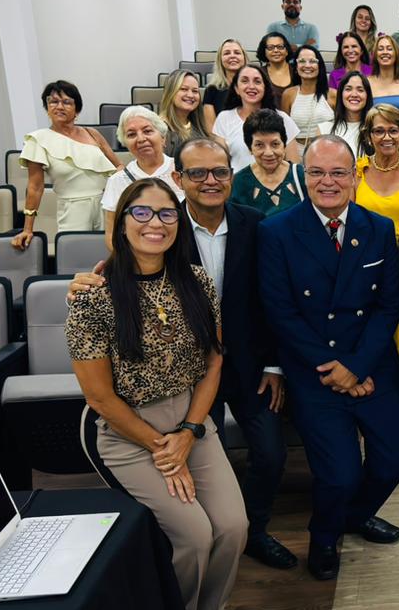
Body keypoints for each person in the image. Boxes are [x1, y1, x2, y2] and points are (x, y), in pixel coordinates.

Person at [71, 140, 296, 572]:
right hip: (187, 376)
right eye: (197, 173)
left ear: (232, 176)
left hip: (249, 366)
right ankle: (206, 540)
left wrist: (273, 363)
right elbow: (128, 274)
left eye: (220, 172)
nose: (210, 181)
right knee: (202, 465)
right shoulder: (162, 226)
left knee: (270, 453)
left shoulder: (255, 224)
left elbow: (273, 299)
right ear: (179, 178)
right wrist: (87, 281)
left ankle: (252, 532)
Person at [67, 178, 247, 610]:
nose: (155, 223)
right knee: (193, 535)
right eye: (141, 212)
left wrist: (188, 433)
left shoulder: (197, 282)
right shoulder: (92, 297)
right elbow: (99, 397)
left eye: (167, 213)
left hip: (190, 421)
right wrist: (164, 447)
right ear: (122, 222)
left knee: (232, 525)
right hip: (129, 431)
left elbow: (213, 362)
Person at [257, 135, 399, 581]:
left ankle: (355, 515)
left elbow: (387, 307)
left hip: (371, 363)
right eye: (317, 172)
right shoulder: (276, 232)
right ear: (303, 176)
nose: (327, 182)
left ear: (354, 177)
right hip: (315, 370)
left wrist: (358, 367)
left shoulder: (378, 228)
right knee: (340, 474)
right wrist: (339, 369)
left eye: (338, 172)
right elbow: (281, 313)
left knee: (398, 454)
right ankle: (325, 536)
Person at [354, 104, 399, 435]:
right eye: (379, 130)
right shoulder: (357, 170)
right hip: (366, 261)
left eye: (393, 130)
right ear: (369, 136)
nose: (386, 137)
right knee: (371, 328)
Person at [12, 79, 121, 249]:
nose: (59, 106)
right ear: (47, 108)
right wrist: (27, 229)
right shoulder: (38, 139)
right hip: (72, 210)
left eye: (67, 102)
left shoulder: (92, 133)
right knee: (76, 256)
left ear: (77, 109)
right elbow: (35, 187)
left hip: (105, 207)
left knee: (109, 256)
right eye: (53, 101)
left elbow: (119, 168)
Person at [101, 106, 183, 244]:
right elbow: (111, 236)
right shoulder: (117, 181)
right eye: (131, 134)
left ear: (163, 138)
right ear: (125, 144)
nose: (140, 139)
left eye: (147, 131)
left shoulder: (183, 171)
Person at [213, 64, 301, 172]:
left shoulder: (283, 118)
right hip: (237, 181)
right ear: (236, 88)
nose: (251, 86)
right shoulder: (224, 118)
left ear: (265, 87)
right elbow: (219, 164)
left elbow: (294, 165)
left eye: (257, 82)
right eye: (245, 81)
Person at [230, 109, 305, 217]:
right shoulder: (238, 182)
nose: (269, 153)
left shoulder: (301, 175)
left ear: (284, 145)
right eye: (259, 145)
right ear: (250, 148)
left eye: (275, 144)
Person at [280, 46, 333, 159]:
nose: (307, 65)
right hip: (296, 153)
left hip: (327, 152)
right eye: (302, 61)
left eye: (312, 61)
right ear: (296, 66)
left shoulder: (333, 95)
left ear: (319, 66)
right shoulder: (288, 94)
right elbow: (285, 130)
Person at [158, 69, 217, 158]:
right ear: (170, 93)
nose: (190, 95)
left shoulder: (199, 127)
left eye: (195, 91)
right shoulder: (160, 129)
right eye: (184, 89)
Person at [319, 71, 373, 158]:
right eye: (348, 89)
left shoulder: (375, 129)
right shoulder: (324, 129)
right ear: (341, 94)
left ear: (367, 96)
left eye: (360, 90)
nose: (354, 94)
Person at [201, 39, 246, 129]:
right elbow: (211, 130)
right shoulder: (211, 90)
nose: (232, 56)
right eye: (227, 53)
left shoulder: (254, 87)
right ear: (220, 60)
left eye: (237, 53)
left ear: (244, 58)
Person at [368, 34, 399, 115]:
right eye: (380, 49)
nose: (385, 52)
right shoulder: (367, 82)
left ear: (396, 53)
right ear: (375, 54)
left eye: (389, 49)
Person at [257, 32, 297, 104]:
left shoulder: (297, 71)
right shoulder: (258, 73)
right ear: (264, 52)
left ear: (287, 51)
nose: (275, 50)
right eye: (270, 47)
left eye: (280, 47)